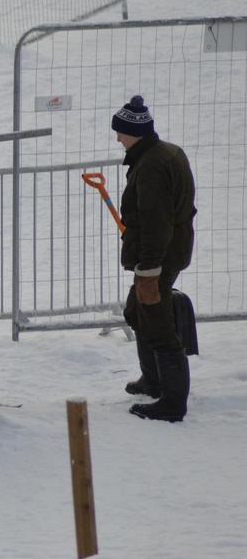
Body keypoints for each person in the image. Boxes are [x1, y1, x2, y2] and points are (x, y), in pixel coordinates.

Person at [112, 95, 196, 422]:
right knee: (138, 310)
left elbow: (156, 221)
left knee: (157, 321)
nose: (118, 139)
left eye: (120, 132)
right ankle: (153, 379)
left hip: (160, 256)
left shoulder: (151, 167)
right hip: (168, 250)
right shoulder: (165, 152)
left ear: (135, 133)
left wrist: (149, 268)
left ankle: (172, 403)